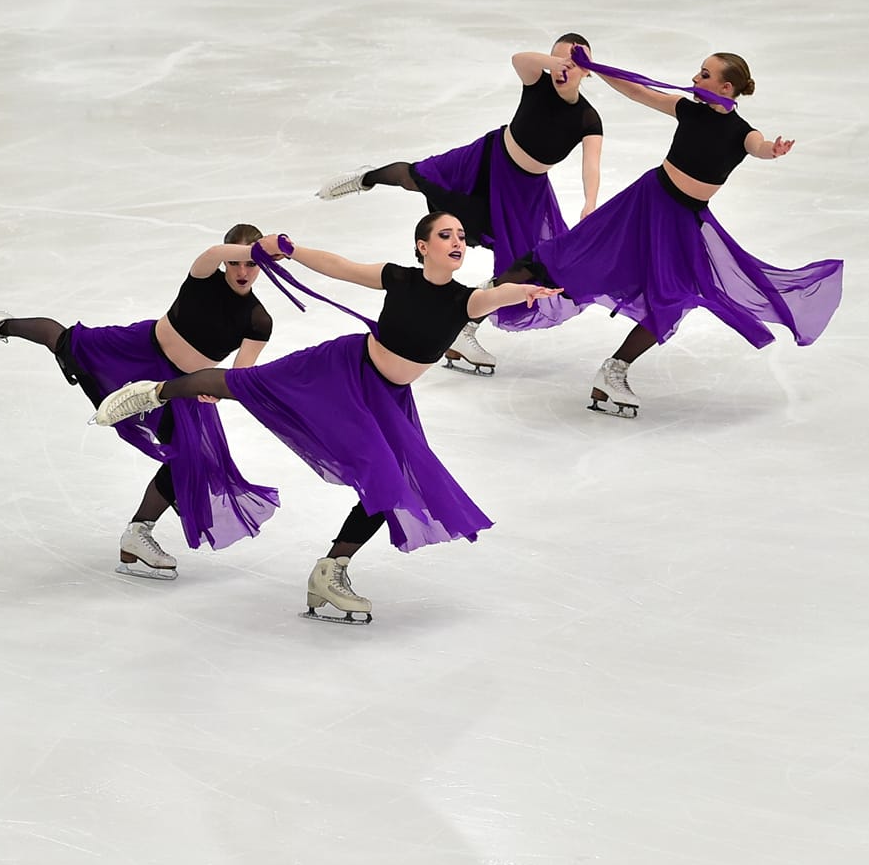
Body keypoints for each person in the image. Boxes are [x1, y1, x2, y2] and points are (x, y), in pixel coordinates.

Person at [88, 214, 562, 623]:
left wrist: (525, 291)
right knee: (246, 385)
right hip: (342, 371)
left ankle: (331, 570)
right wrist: (291, 251)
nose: (457, 241)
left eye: (460, 235)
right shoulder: (397, 277)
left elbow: (497, 296)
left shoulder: (465, 301)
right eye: (445, 235)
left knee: (391, 482)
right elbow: (340, 268)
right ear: (423, 247)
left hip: (387, 399)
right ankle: (151, 392)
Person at [482, 50, 844, 417]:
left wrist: (773, 151)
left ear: (726, 86)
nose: (696, 78)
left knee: (673, 297)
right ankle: (473, 311)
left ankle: (614, 371)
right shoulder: (688, 110)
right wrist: (595, 69)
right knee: (568, 257)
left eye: (704, 74)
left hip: (684, 222)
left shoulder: (742, 132)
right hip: (645, 206)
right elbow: (639, 92)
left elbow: (759, 147)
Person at [0, 224, 280, 578]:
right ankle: (0, 325)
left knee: (190, 459)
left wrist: (221, 390)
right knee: (65, 344)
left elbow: (240, 375)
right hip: (138, 351)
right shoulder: (204, 275)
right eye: (238, 262)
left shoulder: (258, 320)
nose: (243, 272)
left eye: (252, 265)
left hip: (180, 387)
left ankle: (137, 533)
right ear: (228, 260)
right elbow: (212, 254)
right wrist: (256, 250)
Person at [314, 34, 601, 375]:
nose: (561, 68)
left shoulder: (587, 118)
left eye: (572, 63)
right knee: (419, 176)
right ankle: (365, 179)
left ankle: (466, 327)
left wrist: (590, 202)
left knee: (525, 263)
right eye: (556, 60)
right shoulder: (537, 82)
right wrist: (553, 62)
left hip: (523, 190)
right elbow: (518, 58)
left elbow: (592, 164)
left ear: (588, 72)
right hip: (486, 159)